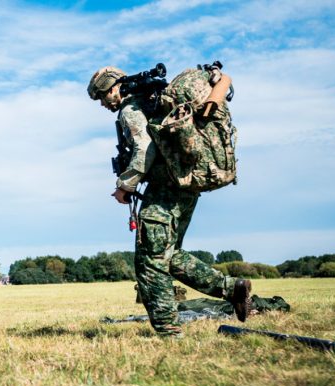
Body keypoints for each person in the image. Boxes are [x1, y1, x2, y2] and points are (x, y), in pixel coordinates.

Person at [88, 66, 251, 337]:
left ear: (115, 87)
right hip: (186, 186)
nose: (103, 103)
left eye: (103, 96)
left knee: (150, 261)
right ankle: (232, 288)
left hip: (166, 189)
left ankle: (169, 333)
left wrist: (124, 186)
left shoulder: (131, 109)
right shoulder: (153, 102)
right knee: (169, 254)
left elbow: (144, 148)